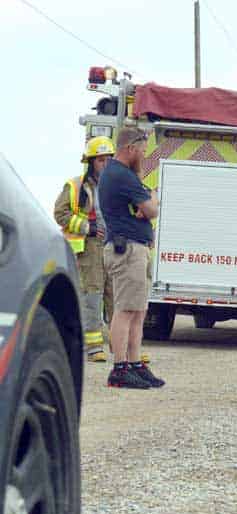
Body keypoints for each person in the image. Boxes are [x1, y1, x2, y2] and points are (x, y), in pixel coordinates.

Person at [98, 127, 164, 389]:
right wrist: (151, 201)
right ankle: (120, 369)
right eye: (142, 150)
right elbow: (151, 209)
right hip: (126, 249)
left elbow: (147, 205)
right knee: (125, 311)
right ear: (130, 148)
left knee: (138, 311)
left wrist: (148, 200)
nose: (144, 155)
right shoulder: (120, 175)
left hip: (136, 248)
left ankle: (135, 364)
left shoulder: (124, 175)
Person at [53, 136, 115, 362]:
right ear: (90, 162)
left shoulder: (115, 185)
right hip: (89, 248)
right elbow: (60, 214)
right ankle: (94, 348)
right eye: (101, 160)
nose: (105, 164)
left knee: (115, 295)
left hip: (113, 246)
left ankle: (121, 349)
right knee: (93, 295)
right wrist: (87, 227)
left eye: (109, 159)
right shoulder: (76, 186)